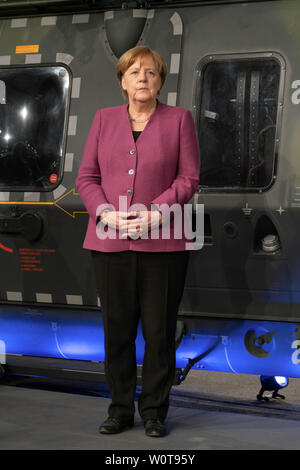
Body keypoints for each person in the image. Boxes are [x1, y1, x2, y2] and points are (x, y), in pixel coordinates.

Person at [76, 46, 200, 438]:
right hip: (109, 242)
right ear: (122, 81)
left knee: (159, 333)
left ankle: (154, 412)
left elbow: (188, 179)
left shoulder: (180, 120)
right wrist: (105, 214)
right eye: (134, 72)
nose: (142, 78)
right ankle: (119, 410)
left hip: (163, 243)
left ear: (161, 79)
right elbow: (86, 179)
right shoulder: (102, 120)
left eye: (150, 71)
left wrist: (157, 212)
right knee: (117, 331)